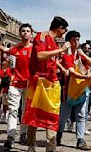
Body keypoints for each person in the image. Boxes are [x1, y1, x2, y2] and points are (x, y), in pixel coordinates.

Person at [22, 16, 70, 152]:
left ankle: (51, 147)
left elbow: (51, 58)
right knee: (34, 115)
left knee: (53, 114)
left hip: (52, 81)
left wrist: (61, 67)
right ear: (60, 28)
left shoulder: (54, 42)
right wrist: (61, 50)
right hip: (38, 81)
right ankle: (31, 146)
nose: (64, 33)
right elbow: (40, 55)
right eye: (64, 30)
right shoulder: (41, 36)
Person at [0, 23, 33, 148]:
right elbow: (4, 50)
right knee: (13, 110)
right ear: (20, 33)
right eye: (23, 31)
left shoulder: (35, 49)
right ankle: (10, 137)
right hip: (15, 83)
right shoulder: (16, 48)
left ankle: (23, 134)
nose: (25, 32)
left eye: (27, 31)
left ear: (31, 34)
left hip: (29, 84)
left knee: (25, 112)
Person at [56, 30, 91, 150]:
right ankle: (58, 135)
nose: (76, 42)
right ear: (68, 41)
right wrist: (86, 77)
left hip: (82, 90)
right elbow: (72, 73)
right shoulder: (67, 56)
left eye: (78, 39)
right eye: (74, 40)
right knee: (63, 116)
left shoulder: (79, 55)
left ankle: (80, 140)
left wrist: (83, 54)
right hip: (68, 91)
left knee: (81, 115)